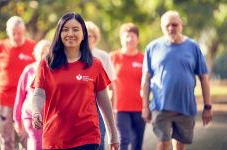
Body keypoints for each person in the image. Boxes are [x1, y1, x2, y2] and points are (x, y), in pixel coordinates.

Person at [31, 12, 119, 150]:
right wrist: (36, 112)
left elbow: (104, 100)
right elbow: (38, 94)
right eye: (65, 29)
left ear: (84, 34)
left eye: (75, 29)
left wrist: (113, 133)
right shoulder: (47, 63)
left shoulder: (95, 64)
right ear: (59, 34)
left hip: (87, 137)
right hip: (55, 137)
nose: (70, 33)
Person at [141, 10, 213, 150]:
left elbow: (204, 78)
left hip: (185, 106)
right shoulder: (152, 47)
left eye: (174, 24)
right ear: (162, 27)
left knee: (180, 144)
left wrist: (207, 106)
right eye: (167, 25)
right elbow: (146, 80)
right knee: (163, 142)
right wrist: (145, 106)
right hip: (160, 106)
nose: (171, 28)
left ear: (181, 25)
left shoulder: (193, 47)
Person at [0, 16, 36, 150]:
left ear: (24, 31)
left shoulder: (33, 47)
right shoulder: (1, 46)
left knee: (26, 138)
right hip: (3, 99)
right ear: (8, 32)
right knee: (5, 138)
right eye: (13, 33)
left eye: (19, 33)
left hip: (26, 101)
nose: (16, 36)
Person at [110, 22, 146, 150]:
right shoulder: (113, 57)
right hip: (119, 108)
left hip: (139, 107)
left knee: (137, 142)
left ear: (137, 39)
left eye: (133, 36)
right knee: (122, 140)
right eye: (127, 36)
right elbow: (106, 83)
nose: (129, 39)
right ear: (121, 39)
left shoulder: (144, 59)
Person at [13, 40, 51, 150]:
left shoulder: (56, 71)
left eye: (48, 52)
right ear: (37, 54)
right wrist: (17, 120)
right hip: (31, 116)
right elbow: (19, 96)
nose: (45, 55)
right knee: (37, 145)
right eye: (42, 52)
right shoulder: (29, 70)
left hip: (51, 118)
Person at [85, 21, 117, 150]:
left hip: (100, 103)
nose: (88, 39)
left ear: (95, 37)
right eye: (85, 35)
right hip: (83, 104)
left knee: (100, 137)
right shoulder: (75, 56)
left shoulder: (103, 56)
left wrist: (113, 108)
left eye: (90, 35)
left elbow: (112, 85)